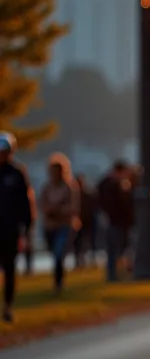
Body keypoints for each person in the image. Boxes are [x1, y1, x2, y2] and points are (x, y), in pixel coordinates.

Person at [0, 133, 32, 322]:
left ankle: (8, 306)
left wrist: (26, 228)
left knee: (10, 270)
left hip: (10, 230)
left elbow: (25, 203)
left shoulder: (17, 173)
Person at [38, 153, 80, 294]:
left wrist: (59, 211)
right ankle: (58, 280)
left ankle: (58, 283)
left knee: (58, 254)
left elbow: (74, 208)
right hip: (50, 226)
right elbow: (42, 205)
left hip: (64, 225)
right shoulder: (46, 188)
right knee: (54, 253)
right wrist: (50, 211)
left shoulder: (70, 187)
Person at [73, 173, 98, 269]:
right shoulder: (75, 194)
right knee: (78, 242)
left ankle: (92, 259)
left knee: (91, 241)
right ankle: (79, 261)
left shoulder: (88, 195)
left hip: (89, 220)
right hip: (79, 221)